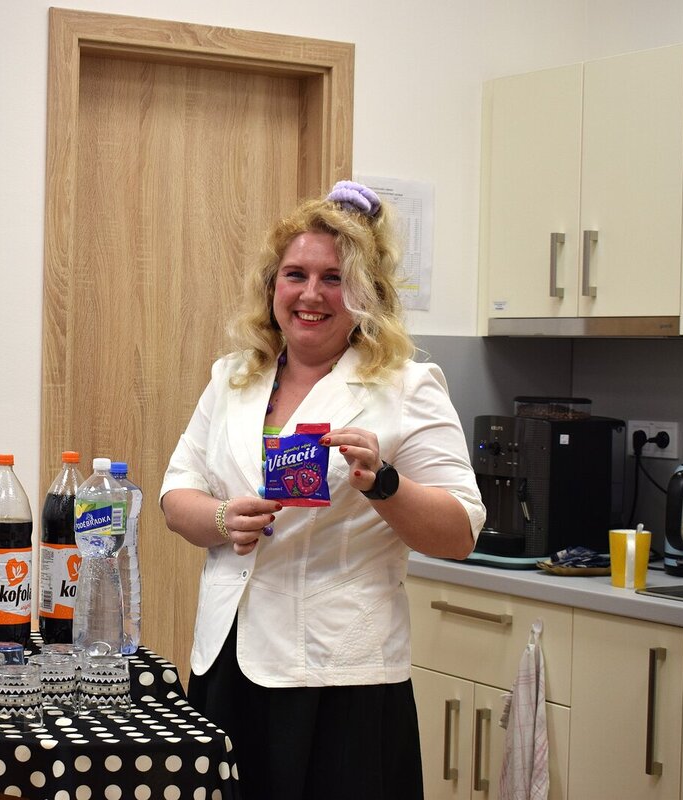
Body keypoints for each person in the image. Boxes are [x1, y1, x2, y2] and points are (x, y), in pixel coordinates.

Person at [159, 181, 486, 800]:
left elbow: (460, 533)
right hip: (227, 662)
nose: (311, 294)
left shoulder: (407, 388)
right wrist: (224, 518)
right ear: (272, 287)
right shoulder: (234, 378)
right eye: (295, 275)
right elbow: (177, 495)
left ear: (365, 293)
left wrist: (384, 484)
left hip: (341, 679)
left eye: (334, 278)